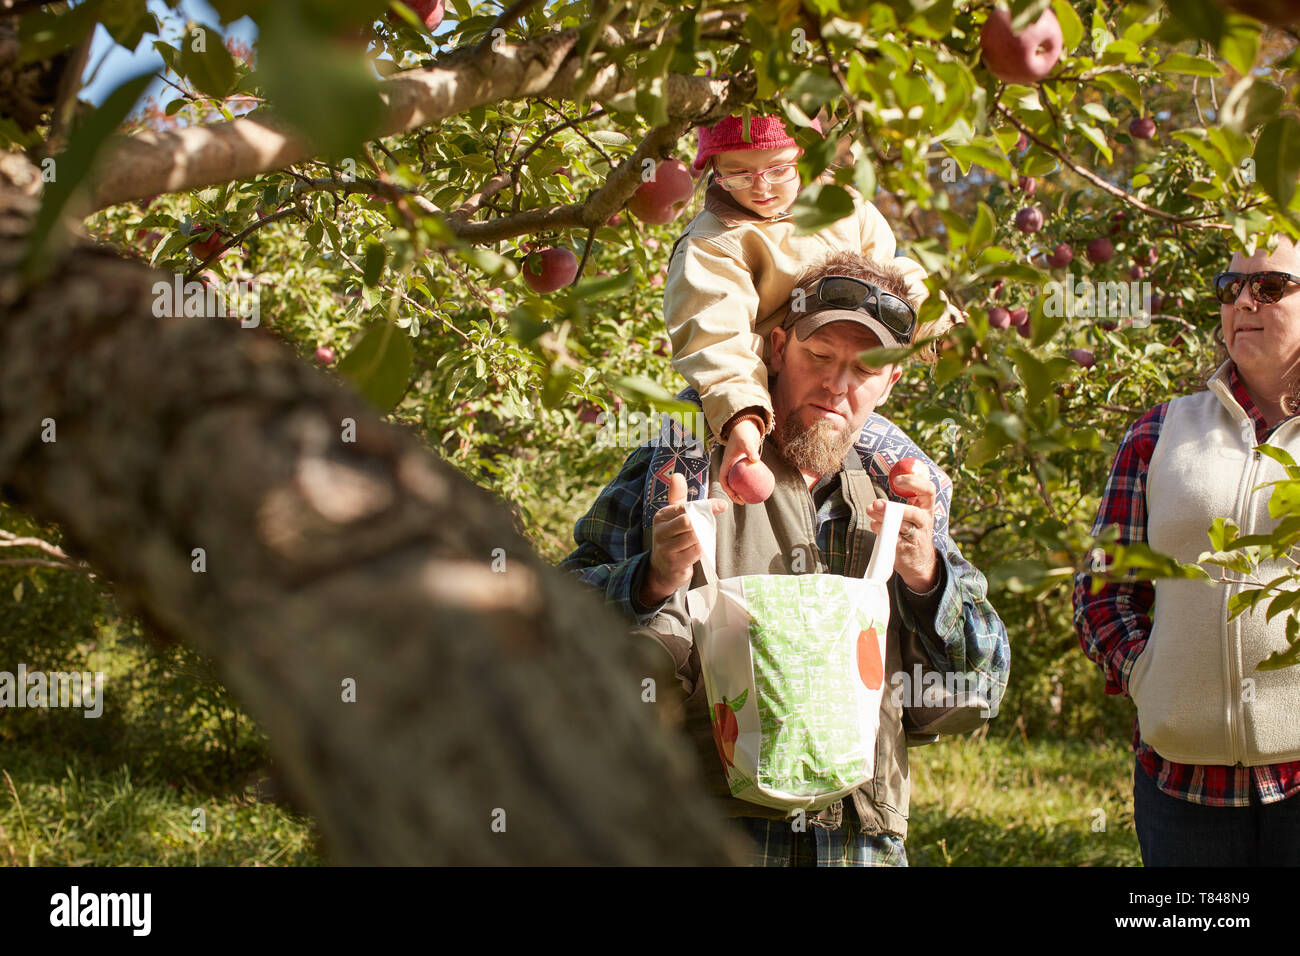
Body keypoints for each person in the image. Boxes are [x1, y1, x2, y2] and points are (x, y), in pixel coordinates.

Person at [564, 251, 1009, 866]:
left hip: (860, 846)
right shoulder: (688, 460)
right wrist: (652, 578)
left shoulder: (899, 489)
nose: (838, 386)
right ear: (777, 350)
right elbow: (555, 618)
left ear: (891, 382)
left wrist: (927, 575)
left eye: (864, 369)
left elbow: (982, 684)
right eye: (819, 357)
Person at [1074, 234, 1300, 866]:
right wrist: (1151, 681)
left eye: (1271, 287)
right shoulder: (1160, 432)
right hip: (1182, 783)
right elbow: (1102, 590)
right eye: (1231, 290)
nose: (1245, 302)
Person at [662, 113, 959, 506]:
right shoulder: (714, 242)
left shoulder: (843, 209)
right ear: (713, 167)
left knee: (924, 484)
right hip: (742, 393)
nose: (760, 186)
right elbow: (717, 338)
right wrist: (742, 422)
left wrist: (940, 327)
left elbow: (893, 275)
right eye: (737, 173)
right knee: (679, 472)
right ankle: (665, 558)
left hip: (824, 398)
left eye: (779, 169)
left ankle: (925, 560)